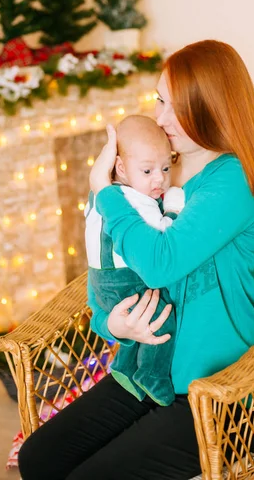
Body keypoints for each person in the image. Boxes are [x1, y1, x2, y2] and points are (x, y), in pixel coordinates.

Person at [18, 39, 254, 480]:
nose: (160, 118)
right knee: (39, 459)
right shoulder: (157, 172)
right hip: (153, 374)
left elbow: (160, 263)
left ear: (211, 107)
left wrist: (104, 190)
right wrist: (113, 326)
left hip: (225, 396)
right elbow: (109, 270)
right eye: (159, 100)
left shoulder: (231, 181)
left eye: (174, 106)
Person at [85, 114, 185, 406]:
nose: (160, 179)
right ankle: (152, 375)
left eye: (166, 168)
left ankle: (126, 368)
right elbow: (164, 241)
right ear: (121, 168)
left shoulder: (97, 197)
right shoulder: (138, 203)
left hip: (100, 283)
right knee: (161, 319)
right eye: (147, 171)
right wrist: (174, 205)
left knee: (138, 325)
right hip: (126, 280)